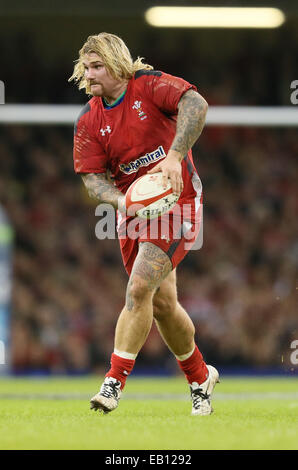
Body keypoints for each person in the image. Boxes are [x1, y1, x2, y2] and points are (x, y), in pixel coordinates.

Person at [69, 32, 219, 416]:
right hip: (135, 211)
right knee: (164, 304)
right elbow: (92, 178)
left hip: (179, 201)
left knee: (138, 288)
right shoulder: (89, 120)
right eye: (86, 68)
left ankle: (112, 383)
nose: (91, 74)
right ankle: (201, 377)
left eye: (98, 66)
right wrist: (122, 201)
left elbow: (195, 102)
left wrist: (174, 156)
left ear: (117, 63)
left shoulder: (150, 86)